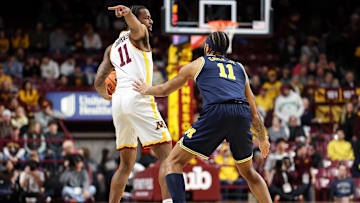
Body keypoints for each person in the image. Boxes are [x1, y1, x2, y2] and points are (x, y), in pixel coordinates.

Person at [133, 31, 271, 203]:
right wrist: (262, 137)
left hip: (217, 111)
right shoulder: (239, 68)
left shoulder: (199, 63)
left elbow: (165, 90)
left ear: (207, 47)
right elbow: (254, 110)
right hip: (241, 113)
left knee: (172, 162)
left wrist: (147, 89)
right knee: (249, 172)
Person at [94, 5, 173, 203]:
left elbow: (98, 82)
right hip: (138, 96)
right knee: (168, 157)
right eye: (146, 17)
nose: (150, 21)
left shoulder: (111, 48)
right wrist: (129, 14)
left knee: (125, 166)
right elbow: (137, 29)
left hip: (119, 101)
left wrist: (109, 97)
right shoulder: (140, 33)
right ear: (137, 20)